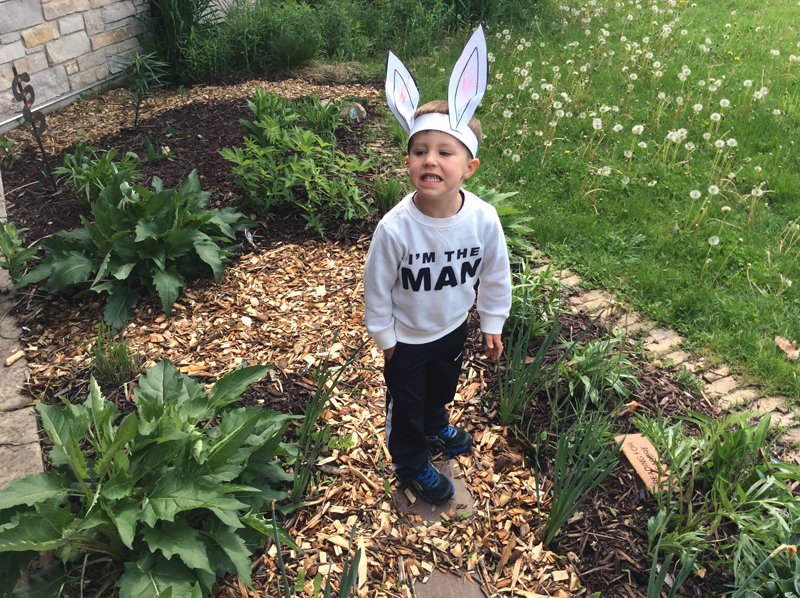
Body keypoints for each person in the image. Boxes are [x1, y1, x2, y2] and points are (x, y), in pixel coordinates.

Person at [363, 25, 512, 504]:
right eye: (420, 151)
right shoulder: (395, 228)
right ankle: (410, 459)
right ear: (408, 162)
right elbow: (377, 287)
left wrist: (491, 321)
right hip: (405, 339)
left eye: (445, 152)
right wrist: (385, 341)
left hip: (451, 328)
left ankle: (435, 425)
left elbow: (494, 274)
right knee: (405, 404)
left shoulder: (483, 220)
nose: (431, 160)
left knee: (441, 387)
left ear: (469, 166)